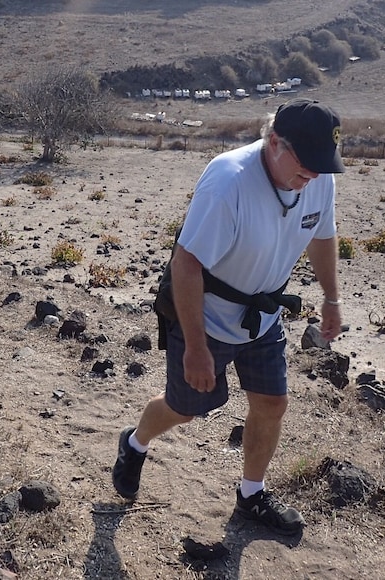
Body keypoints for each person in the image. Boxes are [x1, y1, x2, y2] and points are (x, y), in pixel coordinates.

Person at [112, 98, 345, 536]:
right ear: (274, 142)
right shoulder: (229, 181)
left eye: (321, 165)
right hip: (206, 316)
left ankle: (251, 494)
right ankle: (135, 442)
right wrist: (196, 348)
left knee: (273, 403)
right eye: (305, 165)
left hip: (264, 317)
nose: (312, 176)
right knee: (186, 408)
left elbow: (321, 236)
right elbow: (186, 265)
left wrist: (331, 298)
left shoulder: (317, 177)